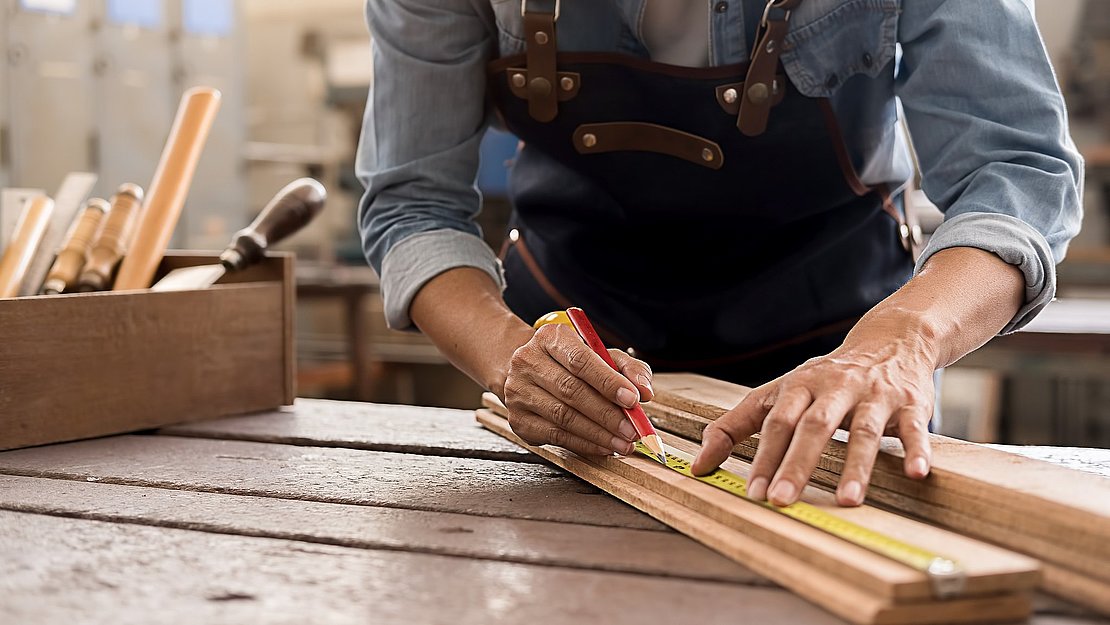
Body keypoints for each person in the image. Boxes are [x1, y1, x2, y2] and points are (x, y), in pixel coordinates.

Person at [356, 0, 1082, 508]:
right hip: (579, 389)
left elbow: (1016, 173)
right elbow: (411, 204)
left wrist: (905, 339)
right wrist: (509, 354)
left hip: (838, 367)